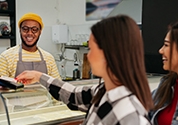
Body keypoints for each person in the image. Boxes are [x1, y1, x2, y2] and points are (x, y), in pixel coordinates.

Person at [16, 14, 153, 125]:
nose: (88, 56)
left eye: (91, 49)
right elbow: (72, 95)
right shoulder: (102, 91)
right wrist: (39, 76)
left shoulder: (130, 117)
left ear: (109, 54)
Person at [0, 12, 60, 79]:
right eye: (25, 29)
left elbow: (56, 86)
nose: (29, 33)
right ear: (20, 30)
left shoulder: (49, 58)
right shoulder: (6, 57)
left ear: (40, 32)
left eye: (34, 29)